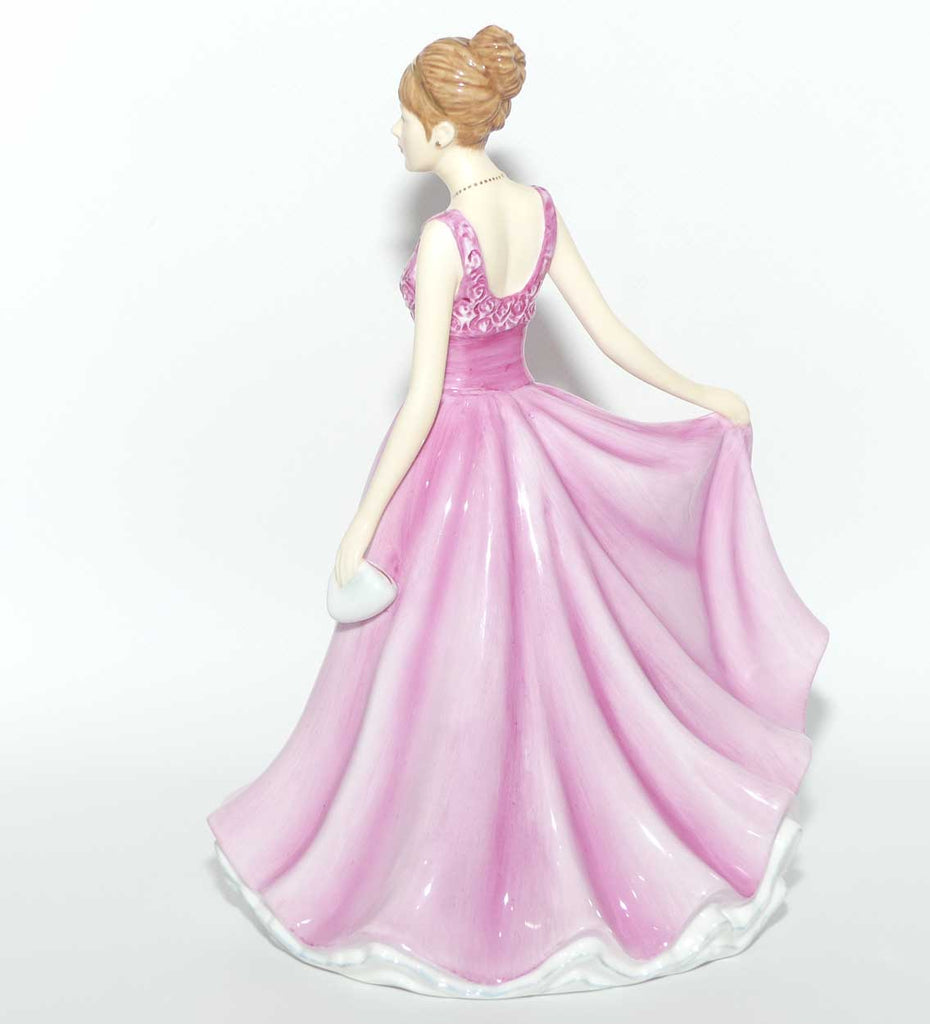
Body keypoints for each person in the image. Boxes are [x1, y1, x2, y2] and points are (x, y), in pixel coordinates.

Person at [207, 24, 830, 999]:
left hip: (459, 456)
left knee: (446, 670)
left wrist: (360, 525)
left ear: (438, 126)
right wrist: (699, 391)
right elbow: (610, 334)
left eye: (403, 118)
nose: (395, 133)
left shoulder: (442, 236)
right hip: (533, 445)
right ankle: (534, 845)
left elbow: (422, 399)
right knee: (545, 660)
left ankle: (449, 873)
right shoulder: (538, 211)